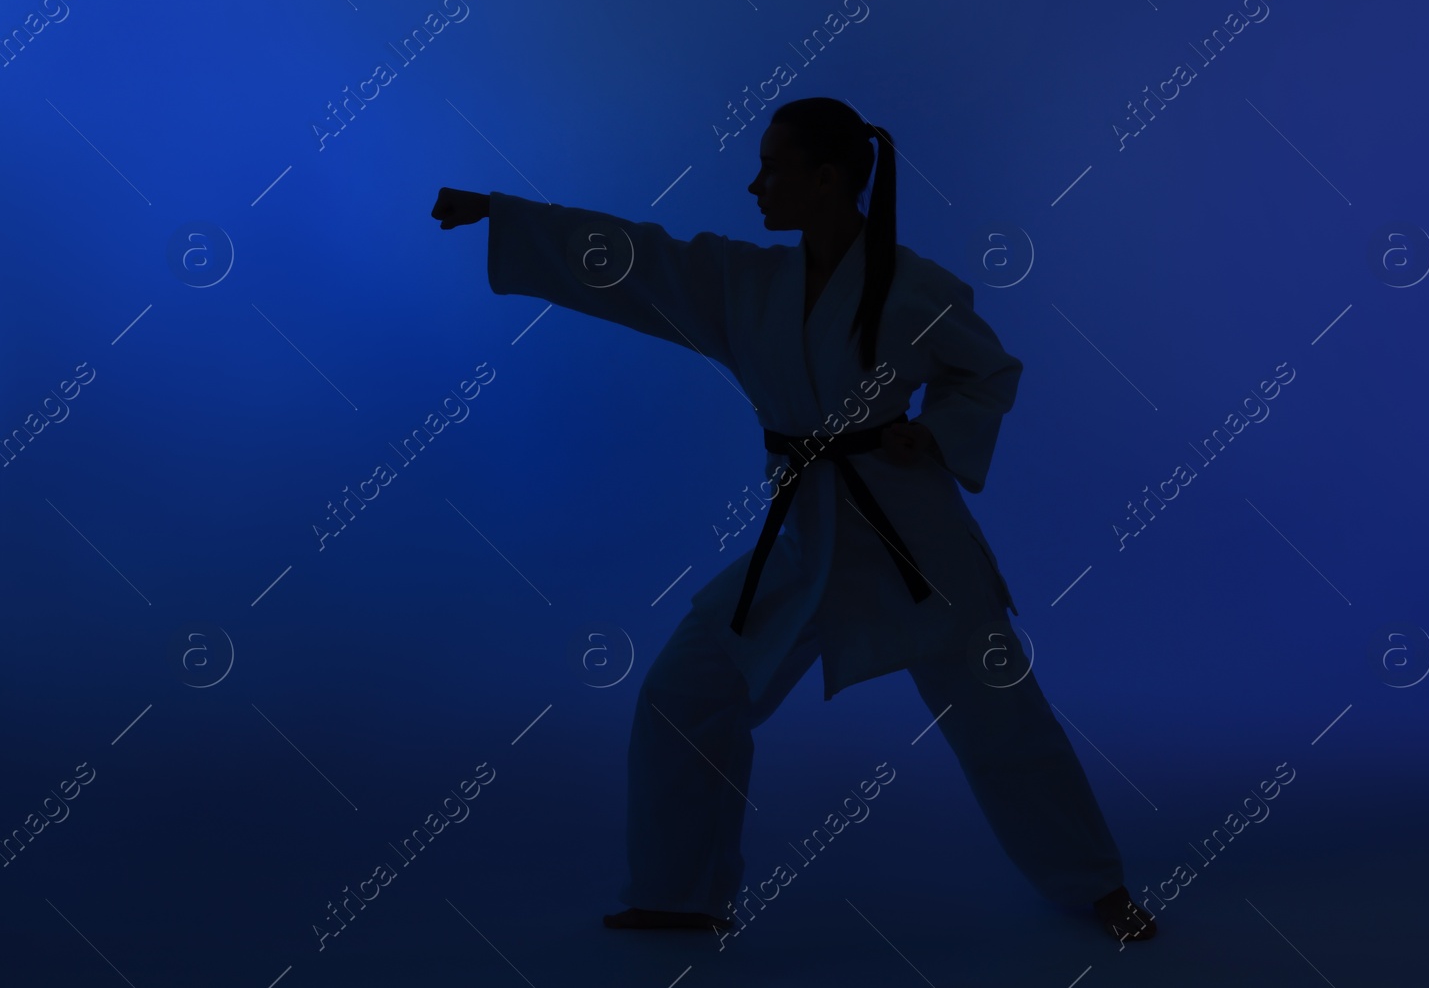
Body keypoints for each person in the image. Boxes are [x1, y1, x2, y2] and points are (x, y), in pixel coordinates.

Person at [431, 97, 1157, 945]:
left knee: (1003, 717)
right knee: (685, 692)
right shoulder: (750, 285)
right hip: (805, 540)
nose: (755, 183)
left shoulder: (914, 285)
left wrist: (935, 431)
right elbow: (642, 262)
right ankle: (678, 892)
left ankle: (1100, 888)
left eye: (773, 166)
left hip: (913, 544)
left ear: (828, 177)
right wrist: (508, 217)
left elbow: (988, 372)